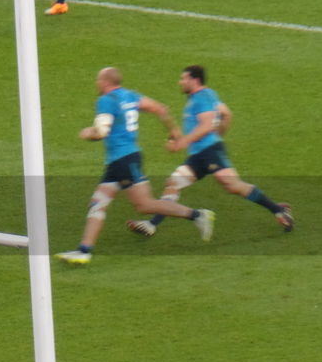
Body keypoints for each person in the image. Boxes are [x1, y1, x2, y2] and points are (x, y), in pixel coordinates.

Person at [55, 67, 214, 265]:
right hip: (122, 160)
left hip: (123, 160)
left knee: (144, 204)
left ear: (105, 82)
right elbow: (160, 109)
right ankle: (84, 250)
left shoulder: (105, 100)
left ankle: (197, 215)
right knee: (98, 202)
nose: (97, 83)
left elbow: (102, 131)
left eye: (98, 79)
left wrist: (88, 133)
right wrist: (173, 130)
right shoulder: (130, 95)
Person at [128, 66, 294, 237]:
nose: (180, 82)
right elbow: (226, 114)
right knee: (173, 183)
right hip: (199, 155)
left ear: (195, 80)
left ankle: (279, 210)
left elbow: (207, 124)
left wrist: (186, 141)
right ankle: (152, 224)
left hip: (209, 152)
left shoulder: (202, 97)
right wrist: (218, 136)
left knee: (232, 184)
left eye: (183, 78)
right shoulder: (205, 96)